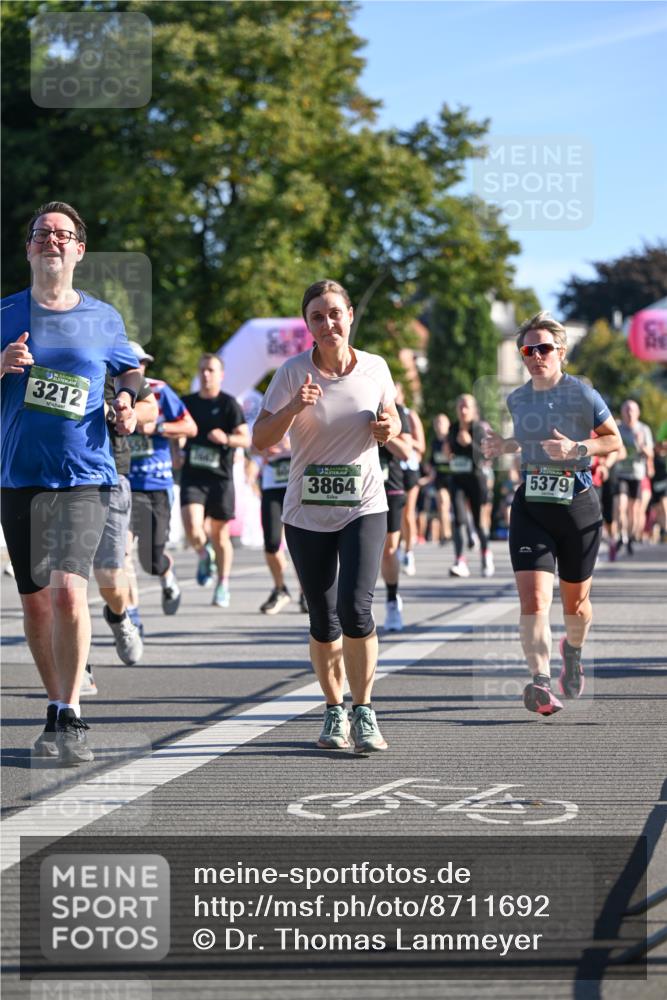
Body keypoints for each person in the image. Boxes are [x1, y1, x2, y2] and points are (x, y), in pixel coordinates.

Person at [0, 201, 142, 764]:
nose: (51, 241)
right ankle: (56, 705)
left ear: (79, 249)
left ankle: (70, 712)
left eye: (62, 234)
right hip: (18, 475)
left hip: (85, 471)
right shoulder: (6, 311)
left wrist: (127, 399)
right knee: (34, 605)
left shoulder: (102, 317)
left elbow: (129, 368)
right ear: (30, 248)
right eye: (41, 234)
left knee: (66, 590)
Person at [252, 279, 401, 752]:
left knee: (356, 609)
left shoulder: (376, 367)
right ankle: (334, 709)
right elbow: (260, 437)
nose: (328, 322)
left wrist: (387, 428)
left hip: (364, 504)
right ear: (308, 325)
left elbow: (392, 415)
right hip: (306, 511)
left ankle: (365, 710)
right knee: (323, 619)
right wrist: (295, 406)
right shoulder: (292, 372)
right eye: (317, 316)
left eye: (335, 313)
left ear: (350, 315)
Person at [482, 311, 622, 716]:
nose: (535, 355)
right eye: (528, 349)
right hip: (532, 506)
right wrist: (502, 446)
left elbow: (613, 442)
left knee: (576, 606)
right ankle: (540, 681)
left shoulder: (583, 395)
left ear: (560, 351)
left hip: (577, 506)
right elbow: (528, 442)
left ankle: (572, 650)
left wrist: (578, 448)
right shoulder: (518, 397)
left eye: (543, 348)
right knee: (535, 600)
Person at [91, 369, 157, 677]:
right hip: (50, 476)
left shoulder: (109, 351)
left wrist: (128, 411)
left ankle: (119, 616)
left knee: (108, 574)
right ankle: (76, 672)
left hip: (108, 474)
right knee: (62, 583)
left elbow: (150, 406)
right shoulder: (29, 341)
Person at [127, 341, 197, 626]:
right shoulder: (107, 391)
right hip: (122, 484)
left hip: (156, 482)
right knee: (121, 556)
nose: (138, 369)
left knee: (151, 560)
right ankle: (131, 618)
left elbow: (190, 427)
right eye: (131, 364)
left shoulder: (159, 390)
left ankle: (166, 574)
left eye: (142, 364)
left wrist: (156, 427)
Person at [180, 354, 250, 607]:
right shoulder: (186, 403)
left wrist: (227, 439)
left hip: (220, 478)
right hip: (193, 475)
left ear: (221, 375)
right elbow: (175, 429)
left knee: (220, 537)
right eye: (202, 370)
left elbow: (245, 439)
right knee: (192, 526)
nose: (205, 374)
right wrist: (175, 451)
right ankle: (202, 553)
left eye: (210, 370)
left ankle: (222, 583)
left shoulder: (229, 404)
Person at [255, 434, 307, 614]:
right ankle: (280, 589)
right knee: (271, 542)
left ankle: (305, 593)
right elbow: (252, 446)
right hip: (272, 485)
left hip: (300, 483)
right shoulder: (268, 411)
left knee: (303, 542)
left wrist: (287, 449)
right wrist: (264, 449)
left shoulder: (305, 409)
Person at [446, 394, 495, 579]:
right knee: (458, 519)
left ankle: (486, 554)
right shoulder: (453, 428)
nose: (463, 410)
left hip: (476, 479)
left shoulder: (479, 429)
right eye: (460, 406)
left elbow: (486, 455)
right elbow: (450, 450)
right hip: (458, 479)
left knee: (478, 522)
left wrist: (470, 444)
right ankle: (459, 560)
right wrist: (448, 450)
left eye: (466, 406)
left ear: (473, 410)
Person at [379, 404, 413, 631]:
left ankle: (392, 600)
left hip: (390, 486)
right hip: (353, 487)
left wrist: (381, 433)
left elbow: (406, 452)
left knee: (389, 549)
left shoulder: (397, 410)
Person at [614, 400, 654, 555]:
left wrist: (640, 444)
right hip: (621, 473)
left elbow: (650, 453)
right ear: (622, 412)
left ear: (637, 413)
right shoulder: (618, 429)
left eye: (632, 410)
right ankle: (621, 536)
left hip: (637, 474)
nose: (629, 413)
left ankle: (630, 538)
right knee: (620, 506)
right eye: (626, 410)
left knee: (634, 510)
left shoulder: (644, 429)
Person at [395, 383, 425, 577]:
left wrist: (402, 437)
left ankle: (409, 552)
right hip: (392, 469)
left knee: (407, 512)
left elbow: (421, 445)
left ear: (401, 393)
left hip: (409, 468)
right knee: (393, 512)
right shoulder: (382, 413)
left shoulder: (409, 414)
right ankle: (395, 549)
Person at [430, 413, 453, 545]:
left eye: (442, 422)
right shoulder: (434, 442)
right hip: (440, 478)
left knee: (458, 506)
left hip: (453, 478)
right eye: (437, 423)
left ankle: (469, 533)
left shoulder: (452, 440)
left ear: (447, 425)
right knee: (443, 504)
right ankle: (446, 534)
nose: (439, 425)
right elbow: (432, 461)